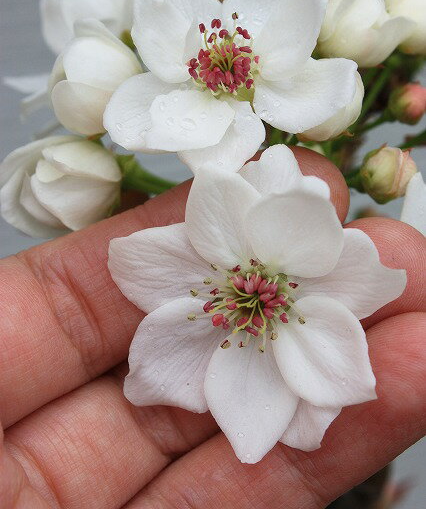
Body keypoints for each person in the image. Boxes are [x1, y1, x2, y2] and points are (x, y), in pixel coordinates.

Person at [0, 147, 424, 509]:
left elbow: (321, 395)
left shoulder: (313, 232)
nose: (252, 301)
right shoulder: (214, 225)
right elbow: (139, 263)